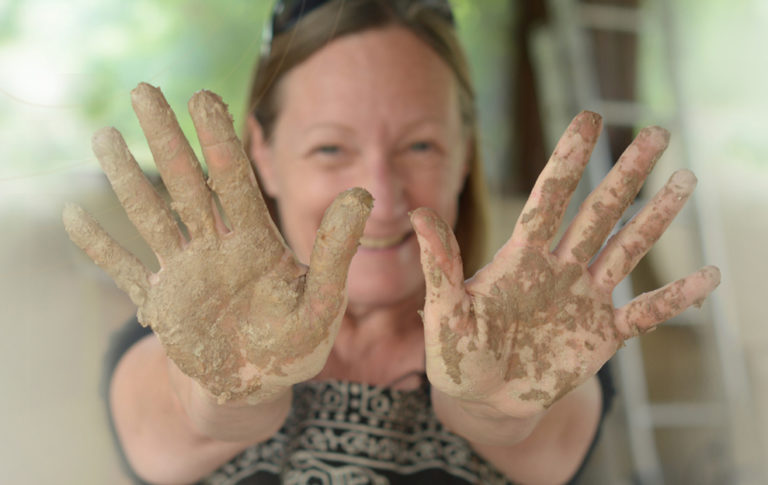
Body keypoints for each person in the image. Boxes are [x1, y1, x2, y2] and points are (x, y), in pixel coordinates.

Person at [63, 0, 721, 483]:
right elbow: (194, 418)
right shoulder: (183, 343)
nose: (378, 191)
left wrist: (486, 406)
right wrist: (232, 387)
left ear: (467, 153)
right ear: (262, 153)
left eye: (420, 145)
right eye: (329, 148)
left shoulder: (546, 344)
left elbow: (529, 434)